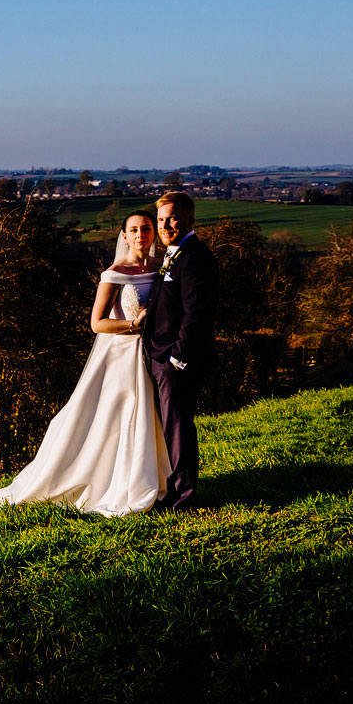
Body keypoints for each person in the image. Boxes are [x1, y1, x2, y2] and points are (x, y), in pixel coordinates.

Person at [0, 211, 172, 518]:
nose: (141, 234)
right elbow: (97, 323)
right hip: (124, 356)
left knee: (153, 416)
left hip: (155, 352)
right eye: (134, 230)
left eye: (146, 228)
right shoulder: (114, 273)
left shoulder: (160, 268)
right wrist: (133, 325)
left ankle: (151, 477)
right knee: (124, 415)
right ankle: (119, 483)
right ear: (124, 236)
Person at [143, 190, 217, 511]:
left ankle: (184, 497)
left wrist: (178, 357)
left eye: (172, 218)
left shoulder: (195, 256)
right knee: (168, 427)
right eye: (161, 220)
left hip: (176, 360)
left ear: (189, 218)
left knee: (178, 427)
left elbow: (197, 312)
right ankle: (169, 487)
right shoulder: (172, 254)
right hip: (158, 355)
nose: (165, 225)